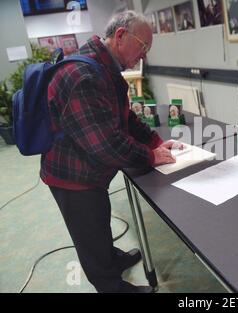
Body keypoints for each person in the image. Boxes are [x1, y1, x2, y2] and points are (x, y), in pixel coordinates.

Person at [41, 11, 182, 293]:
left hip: (89, 171)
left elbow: (124, 118)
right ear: (120, 36)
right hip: (72, 176)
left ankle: (112, 258)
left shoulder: (103, 69)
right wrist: (150, 156)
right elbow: (106, 144)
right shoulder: (82, 75)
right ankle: (110, 286)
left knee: (99, 219)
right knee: (89, 232)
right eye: (142, 48)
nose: (142, 58)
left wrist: (155, 141)